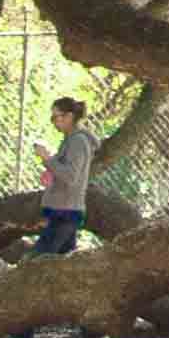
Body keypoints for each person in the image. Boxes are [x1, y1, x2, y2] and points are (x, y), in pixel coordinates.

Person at [36, 96, 95, 255]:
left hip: (65, 212)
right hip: (61, 209)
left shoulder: (78, 142)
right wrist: (51, 170)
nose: (53, 121)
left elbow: (70, 177)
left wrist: (47, 159)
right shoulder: (69, 140)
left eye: (55, 117)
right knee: (60, 262)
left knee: (39, 260)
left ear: (69, 117)